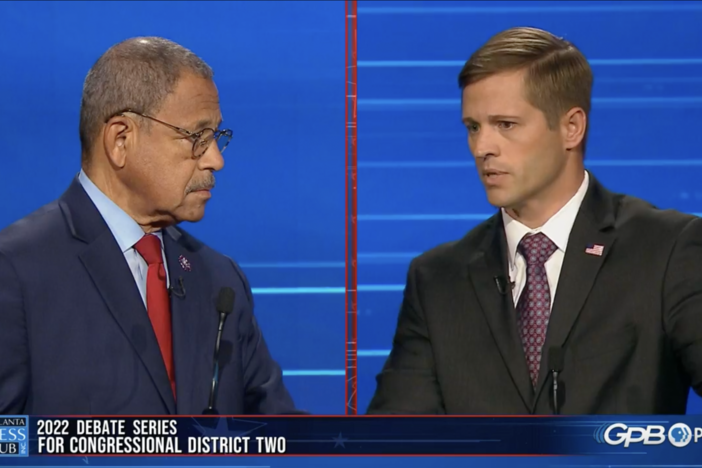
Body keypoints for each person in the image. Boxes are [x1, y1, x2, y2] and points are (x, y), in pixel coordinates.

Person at [367, 27, 702, 415]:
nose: (482, 148)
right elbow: (397, 442)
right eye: (473, 127)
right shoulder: (437, 279)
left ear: (571, 128)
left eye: (505, 125)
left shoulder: (665, 249)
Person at [0, 37, 301, 415]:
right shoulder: (15, 271)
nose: (215, 161)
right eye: (196, 137)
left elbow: (280, 434)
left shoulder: (219, 279)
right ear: (120, 140)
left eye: (216, 138)